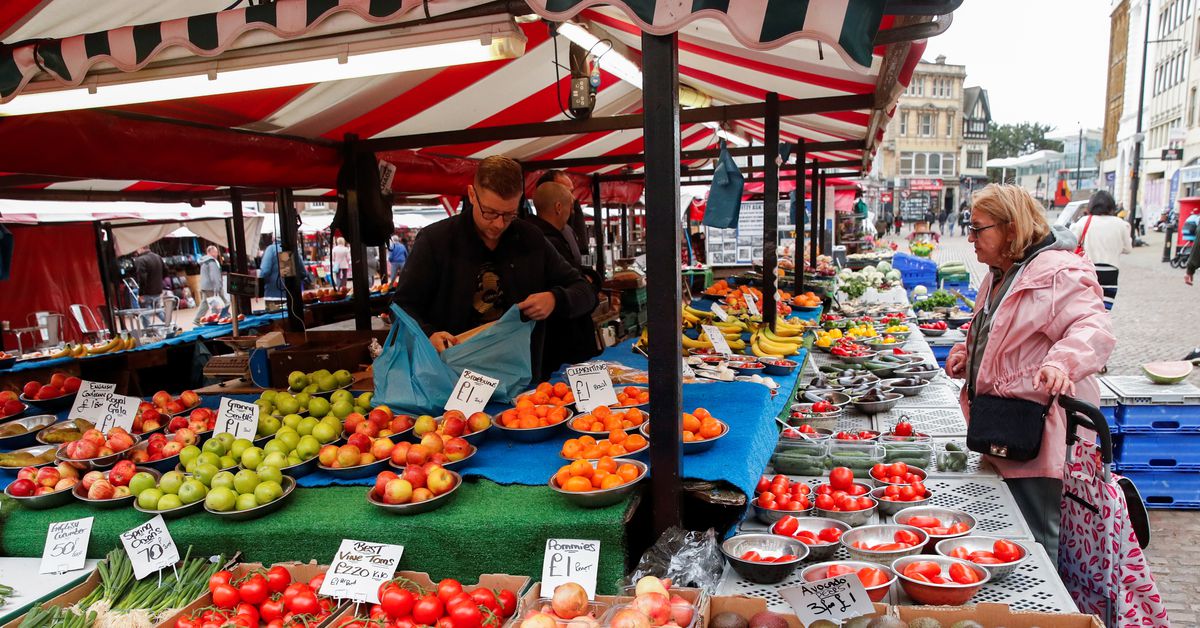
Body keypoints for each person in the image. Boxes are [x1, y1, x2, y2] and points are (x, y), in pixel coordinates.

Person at [945, 184, 1115, 560]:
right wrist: (966, 354)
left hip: (1038, 431)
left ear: (1011, 228)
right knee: (1008, 535)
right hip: (999, 426)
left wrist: (1061, 361)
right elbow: (996, 330)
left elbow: (1094, 328)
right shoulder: (999, 273)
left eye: (978, 228)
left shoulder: (1058, 272)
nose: (970, 237)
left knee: (1035, 539)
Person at [393, 156, 595, 381]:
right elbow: (402, 307)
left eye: (509, 214)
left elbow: (584, 291)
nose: (499, 223)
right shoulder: (435, 241)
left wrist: (555, 299)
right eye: (490, 212)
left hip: (520, 380)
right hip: (450, 379)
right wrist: (428, 334)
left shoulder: (531, 238)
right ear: (472, 195)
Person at [528, 181, 603, 370]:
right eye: (571, 206)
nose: (573, 212)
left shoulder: (552, 235)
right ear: (558, 208)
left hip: (557, 339)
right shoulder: (546, 241)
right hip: (561, 343)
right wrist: (590, 282)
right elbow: (576, 282)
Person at [1070, 190, 1132, 267]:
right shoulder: (1121, 224)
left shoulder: (1083, 222)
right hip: (1112, 270)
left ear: (1091, 205)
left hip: (1089, 270)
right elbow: (1128, 249)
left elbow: (1071, 246)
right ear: (1112, 206)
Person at [193, 245, 227, 324]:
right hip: (211, 286)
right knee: (218, 303)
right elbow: (214, 275)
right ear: (209, 252)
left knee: (205, 303)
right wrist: (217, 287)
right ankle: (219, 318)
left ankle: (198, 319)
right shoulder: (211, 261)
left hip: (205, 286)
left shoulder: (204, 261)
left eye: (217, 252)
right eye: (215, 252)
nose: (217, 254)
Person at [133, 247, 165, 320]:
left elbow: (142, 278)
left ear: (141, 248)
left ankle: (148, 329)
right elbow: (166, 271)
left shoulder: (140, 260)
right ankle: (169, 324)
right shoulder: (158, 257)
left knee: (145, 313)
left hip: (147, 292)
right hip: (157, 290)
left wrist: (141, 293)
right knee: (158, 310)